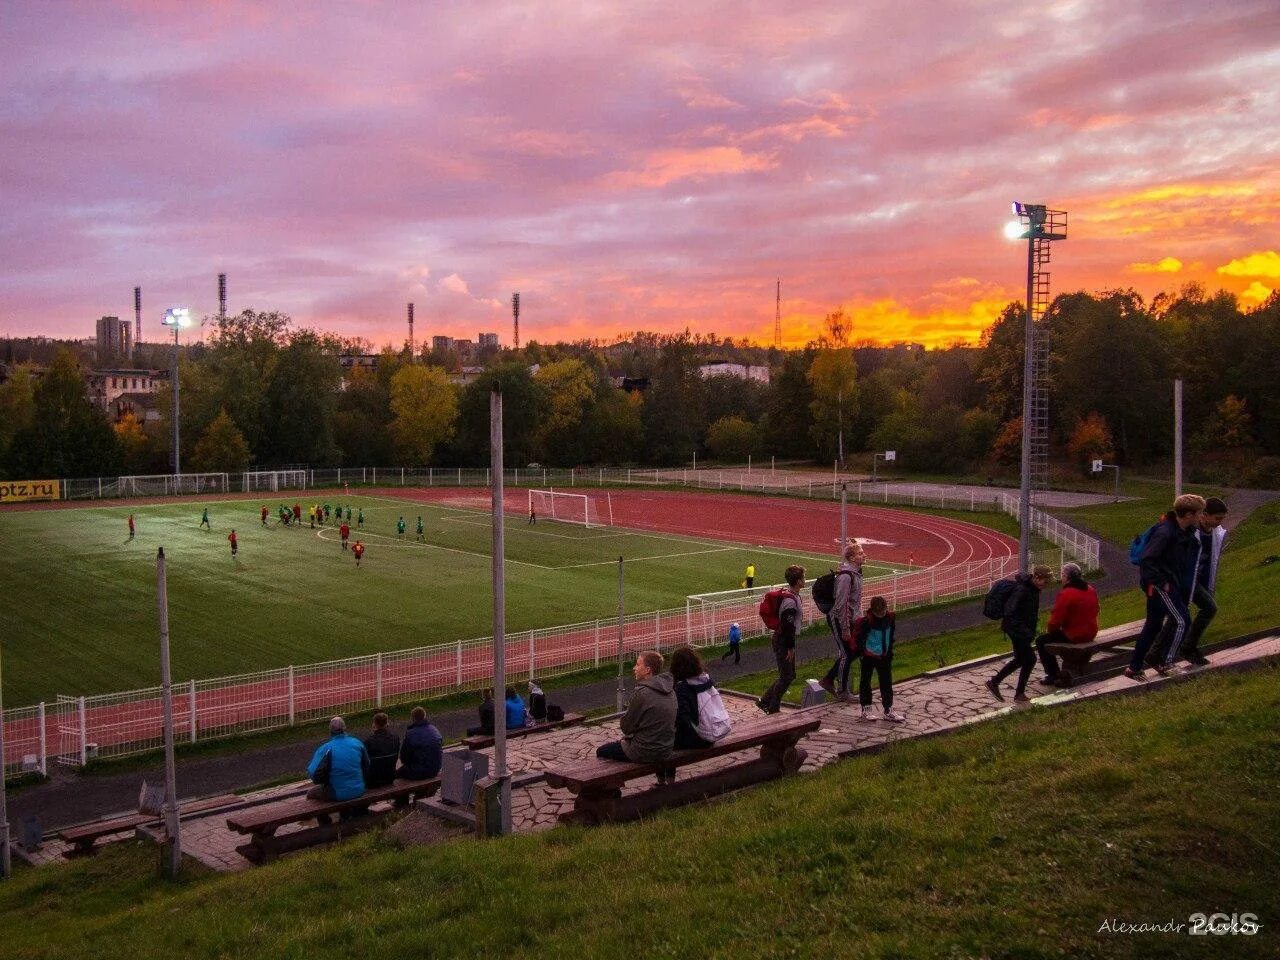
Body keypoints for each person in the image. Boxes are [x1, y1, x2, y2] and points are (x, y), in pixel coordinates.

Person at [1127, 493, 1206, 679]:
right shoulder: (1166, 532)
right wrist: (1162, 583)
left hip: (1165, 583)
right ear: (1188, 514)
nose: (1201, 517)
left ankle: (1134, 666)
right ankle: (1166, 661)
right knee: (1181, 620)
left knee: (1153, 625)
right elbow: (1148, 559)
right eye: (1199, 513)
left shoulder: (1182, 531)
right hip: (1161, 585)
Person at [1152, 497, 1227, 667]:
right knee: (1187, 614)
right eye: (1217, 518)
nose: (1220, 522)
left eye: (1222, 518)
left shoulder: (1216, 533)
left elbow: (1211, 560)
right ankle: (1173, 650)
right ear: (1204, 515)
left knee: (1186, 614)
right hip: (1184, 579)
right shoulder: (1191, 532)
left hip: (1198, 580)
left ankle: (1168, 650)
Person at [595, 651, 677, 778]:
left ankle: (608, 787)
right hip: (666, 748)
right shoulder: (670, 690)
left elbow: (626, 727)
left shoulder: (642, 693)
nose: (634, 668)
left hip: (644, 752)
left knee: (601, 751)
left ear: (647, 670)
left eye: (638, 664)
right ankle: (664, 781)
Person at [985, 565, 1055, 702]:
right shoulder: (1023, 590)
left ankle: (1001, 685)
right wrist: (1024, 631)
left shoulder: (1032, 590)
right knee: (1030, 659)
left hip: (1021, 630)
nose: (1046, 585)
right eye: (1045, 582)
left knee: (1021, 660)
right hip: (1017, 631)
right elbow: (1010, 611)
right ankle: (1011, 690)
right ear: (1036, 577)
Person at [1035, 562, 1099, 687]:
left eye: (1062, 575)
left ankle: (1052, 674)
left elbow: (1055, 621)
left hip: (1074, 635)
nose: (1061, 578)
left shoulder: (1067, 594)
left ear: (1066, 576)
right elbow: (1096, 609)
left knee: (1041, 641)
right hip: (1091, 632)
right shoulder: (1091, 589)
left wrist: (1051, 631)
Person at [757, 565, 806, 714]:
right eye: (803, 578)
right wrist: (790, 647)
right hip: (783, 640)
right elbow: (787, 625)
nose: (805, 580)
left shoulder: (791, 595)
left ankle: (765, 701)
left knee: (789, 675)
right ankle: (772, 707)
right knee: (786, 676)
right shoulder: (790, 601)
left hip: (784, 639)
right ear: (798, 581)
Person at [820, 543, 864, 700]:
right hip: (839, 618)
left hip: (850, 618)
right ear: (852, 558)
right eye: (860, 553)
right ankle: (842, 691)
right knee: (847, 653)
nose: (864, 555)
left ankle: (828, 680)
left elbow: (855, 602)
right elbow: (841, 604)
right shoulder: (846, 577)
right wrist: (845, 628)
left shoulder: (856, 574)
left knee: (856, 650)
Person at [671, 645, 731, 750]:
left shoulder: (682, 689)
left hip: (695, 739)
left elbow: (683, 719)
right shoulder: (706, 681)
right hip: (711, 733)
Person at [855, 596, 905, 722]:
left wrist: (889, 651)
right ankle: (866, 709)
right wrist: (862, 653)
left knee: (887, 683)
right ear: (872, 611)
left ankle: (888, 710)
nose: (881, 615)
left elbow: (891, 634)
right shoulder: (867, 621)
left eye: (883, 612)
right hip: (868, 656)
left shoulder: (890, 618)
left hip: (884, 655)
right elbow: (860, 639)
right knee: (865, 681)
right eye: (878, 613)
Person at [305, 716, 370, 802]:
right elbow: (366, 764)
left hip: (337, 793)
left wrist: (325, 780)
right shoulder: (357, 742)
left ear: (330, 731)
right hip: (359, 790)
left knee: (311, 793)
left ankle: (323, 816)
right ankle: (354, 812)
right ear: (344, 728)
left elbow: (313, 774)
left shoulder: (326, 748)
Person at [398, 706, 443, 780]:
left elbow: (404, 757)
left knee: (396, 774)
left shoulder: (410, 733)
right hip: (435, 769)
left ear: (413, 719)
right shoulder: (434, 730)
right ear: (424, 716)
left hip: (418, 771)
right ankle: (422, 791)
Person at [362, 712, 401, 789]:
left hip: (373, 780)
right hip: (390, 777)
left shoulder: (369, 741)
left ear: (374, 724)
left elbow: (364, 762)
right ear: (387, 724)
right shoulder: (395, 738)